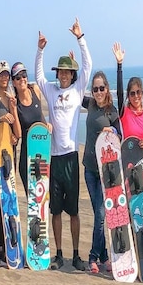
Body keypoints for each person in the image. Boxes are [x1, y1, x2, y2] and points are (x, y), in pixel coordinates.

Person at [35, 18, 92, 271]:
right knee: (55, 210)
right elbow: (37, 76)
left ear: (72, 74)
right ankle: (58, 253)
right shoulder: (50, 90)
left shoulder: (79, 90)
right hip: (53, 158)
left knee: (74, 211)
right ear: (57, 74)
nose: (65, 75)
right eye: (61, 71)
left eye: (69, 71)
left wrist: (81, 38)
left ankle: (76, 254)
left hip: (71, 157)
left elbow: (88, 65)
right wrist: (40, 49)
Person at [81, 71, 121, 273]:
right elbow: (75, 88)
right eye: (95, 89)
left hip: (106, 171)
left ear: (107, 89)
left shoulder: (112, 111)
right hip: (89, 168)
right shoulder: (89, 105)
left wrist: (112, 131)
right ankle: (101, 256)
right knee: (99, 214)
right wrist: (78, 67)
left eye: (101, 88)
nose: (98, 92)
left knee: (100, 214)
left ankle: (94, 256)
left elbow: (119, 135)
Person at [0, 60, 21, 259]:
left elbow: (17, 130)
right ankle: (0, 244)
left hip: (11, 152)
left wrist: (13, 117)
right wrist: (1, 119)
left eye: (7, 75)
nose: (4, 78)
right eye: (1, 75)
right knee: (1, 197)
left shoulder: (12, 98)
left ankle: (9, 239)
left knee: (10, 196)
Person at [11, 61, 50, 194]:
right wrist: (13, 109)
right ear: (14, 82)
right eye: (17, 77)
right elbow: (19, 134)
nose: (22, 79)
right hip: (26, 156)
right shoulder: (15, 102)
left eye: (24, 75)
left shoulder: (35, 90)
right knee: (33, 201)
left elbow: (40, 117)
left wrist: (47, 126)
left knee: (43, 199)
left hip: (42, 153)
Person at [113, 42, 143, 163]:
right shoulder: (124, 113)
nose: (136, 96)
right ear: (128, 96)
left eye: (138, 92)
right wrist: (119, 65)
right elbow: (119, 94)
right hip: (128, 164)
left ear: (142, 93)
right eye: (132, 93)